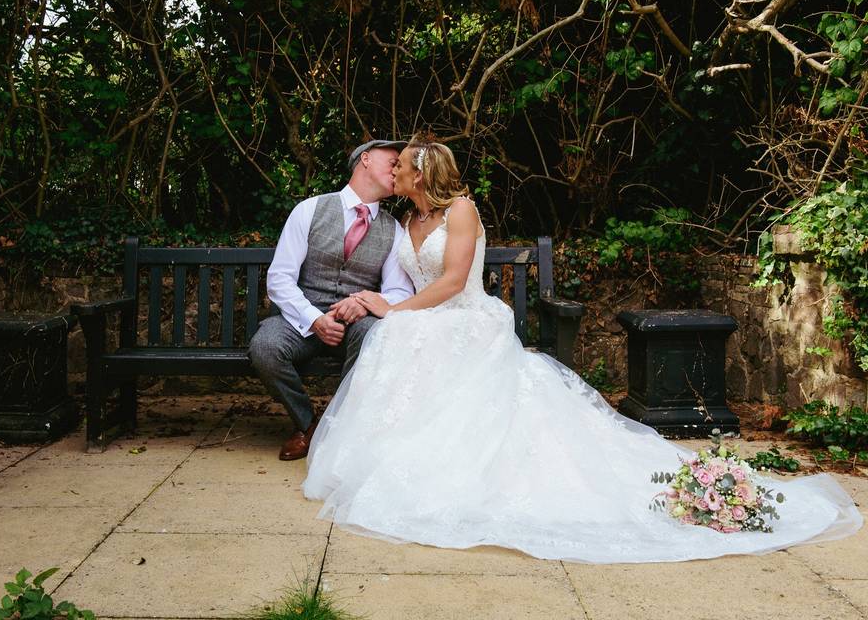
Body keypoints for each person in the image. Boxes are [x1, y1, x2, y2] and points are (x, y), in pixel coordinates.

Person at [302, 140, 862, 563]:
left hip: (465, 319)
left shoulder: (462, 212)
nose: (392, 170)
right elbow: (406, 280)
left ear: (421, 173)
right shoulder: (408, 218)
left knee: (401, 332)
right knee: (397, 337)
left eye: (400, 165)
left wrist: (394, 311)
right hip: (429, 318)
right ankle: (403, 453)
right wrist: (387, 306)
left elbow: (450, 282)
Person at [248, 140, 415, 461]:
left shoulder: (394, 230)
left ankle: (339, 427)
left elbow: (399, 293)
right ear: (365, 159)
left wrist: (366, 301)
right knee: (265, 347)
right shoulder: (309, 210)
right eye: (392, 162)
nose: (397, 170)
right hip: (301, 322)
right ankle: (309, 424)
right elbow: (279, 277)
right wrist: (314, 318)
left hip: (354, 325)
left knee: (375, 334)